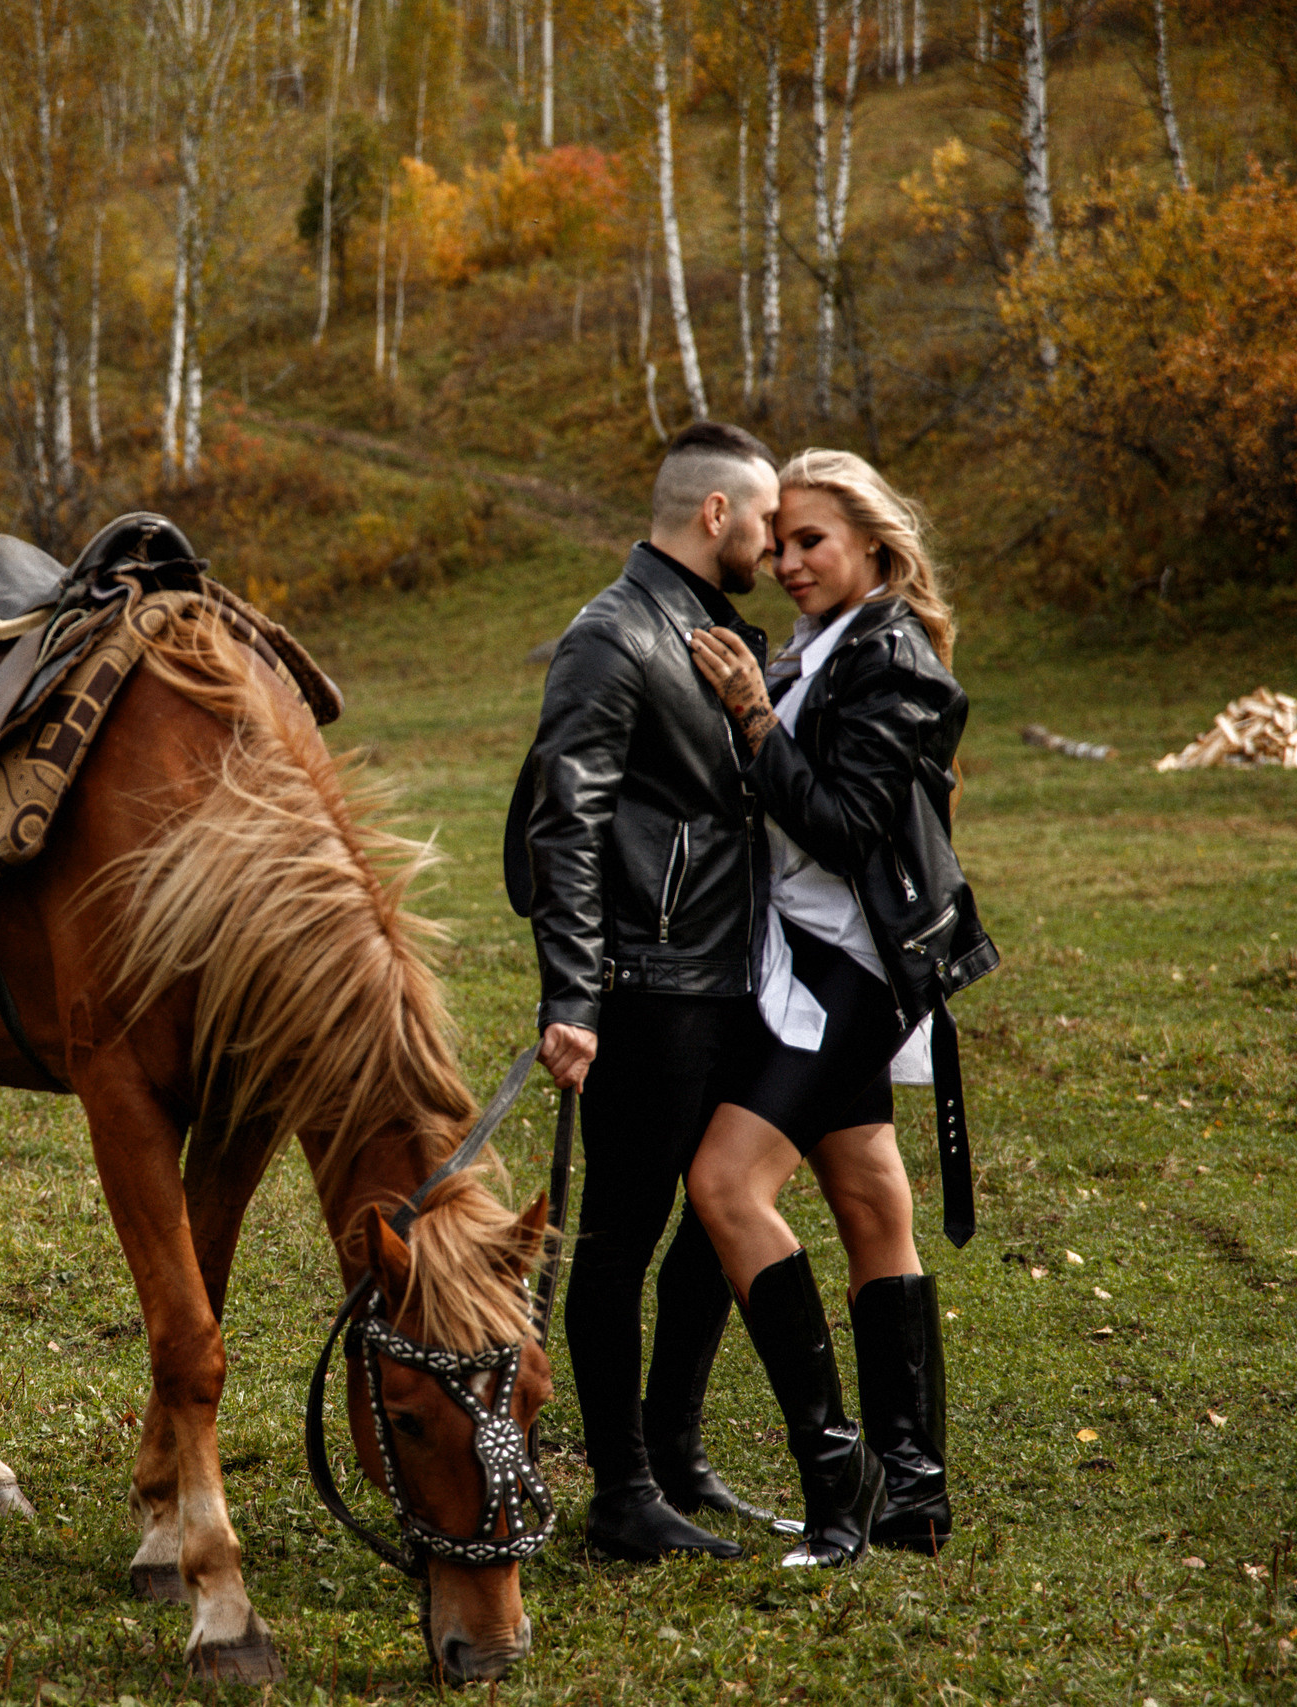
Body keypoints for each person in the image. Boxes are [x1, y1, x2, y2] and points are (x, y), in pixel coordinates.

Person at [680, 448, 998, 1569]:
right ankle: (911, 1496)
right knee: (869, 1203)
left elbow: (846, 825)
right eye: (780, 543)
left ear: (871, 541)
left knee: (724, 1184)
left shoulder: (894, 658)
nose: (789, 561)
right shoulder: (820, 648)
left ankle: (838, 1470)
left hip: (853, 966)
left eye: (811, 539)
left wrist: (753, 720)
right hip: (806, 955)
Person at [508, 421, 782, 1563]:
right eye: (765, 519)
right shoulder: (612, 635)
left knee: (713, 1218)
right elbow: (561, 822)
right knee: (622, 1232)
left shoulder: (715, 631)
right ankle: (620, 1494)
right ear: (714, 514)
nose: (774, 542)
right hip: (646, 983)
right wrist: (573, 996)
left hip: (730, 973)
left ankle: (676, 1461)